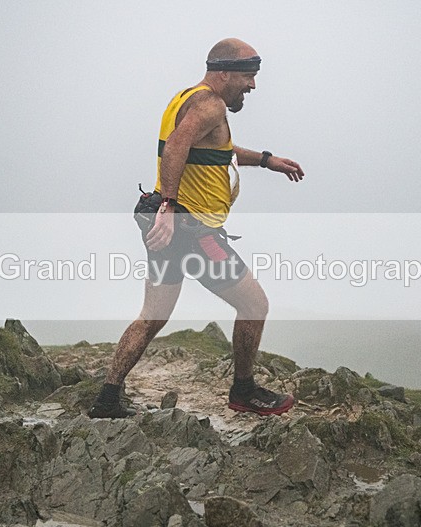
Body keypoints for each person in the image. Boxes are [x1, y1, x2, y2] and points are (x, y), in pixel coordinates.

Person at [89, 37, 305, 419]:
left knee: (152, 315)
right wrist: (172, 209)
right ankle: (243, 391)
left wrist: (267, 160)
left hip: (162, 216)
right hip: (190, 227)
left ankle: (107, 398)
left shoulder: (189, 99)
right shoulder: (210, 103)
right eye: (248, 76)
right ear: (223, 72)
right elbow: (176, 147)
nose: (253, 86)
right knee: (254, 304)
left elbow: (219, 151)